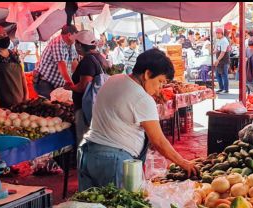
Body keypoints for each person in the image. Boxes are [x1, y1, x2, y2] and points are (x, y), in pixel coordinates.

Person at [78, 49, 198, 190]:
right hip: (113, 161)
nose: (160, 88)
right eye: (160, 81)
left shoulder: (114, 79)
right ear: (147, 74)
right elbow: (158, 141)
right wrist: (184, 163)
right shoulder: (142, 99)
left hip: (88, 154)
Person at [64, 31, 104, 144]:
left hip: (85, 108)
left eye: (76, 43)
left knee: (83, 139)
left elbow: (83, 86)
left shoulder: (87, 61)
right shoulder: (99, 57)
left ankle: (83, 161)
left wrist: (70, 87)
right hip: (97, 106)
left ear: (79, 45)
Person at [0, 25, 27, 109]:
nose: (3, 37)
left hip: (17, 99)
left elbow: (22, 76)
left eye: (5, 35)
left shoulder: (14, 55)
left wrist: (26, 93)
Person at [34, 25, 78, 99]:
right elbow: (61, 65)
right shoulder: (57, 43)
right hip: (45, 83)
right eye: (75, 36)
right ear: (69, 35)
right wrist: (72, 85)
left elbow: (74, 62)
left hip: (58, 84)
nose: (76, 39)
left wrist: (79, 79)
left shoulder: (71, 44)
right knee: (52, 106)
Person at [213, 28, 231, 94]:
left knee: (224, 75)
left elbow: (223, 52)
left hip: (224, 60)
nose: (216, 35)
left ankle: (226, 89)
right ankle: (221, 88)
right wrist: (213, 52)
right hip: (220, 60)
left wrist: (217, 60)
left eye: (217, 33)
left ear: (221, 34)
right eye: (216, 33)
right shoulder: (219, 40)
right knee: (218, 75)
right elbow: (218, 49)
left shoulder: (224, 41)